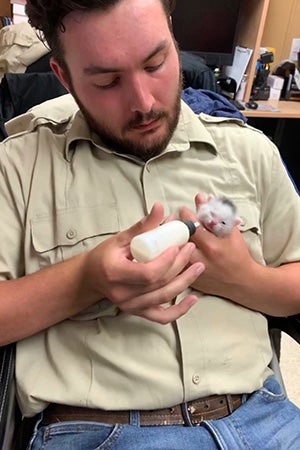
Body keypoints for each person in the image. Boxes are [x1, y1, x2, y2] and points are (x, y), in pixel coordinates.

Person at [0, 0, 300, 448]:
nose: (143, 103)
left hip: (266, 417)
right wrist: (87, 279)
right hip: (106, 431)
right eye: (107, 81)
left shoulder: (248, 153)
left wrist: (244, 280)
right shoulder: (19, 165)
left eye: (155, 63)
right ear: (64, 77)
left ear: (174, 40)